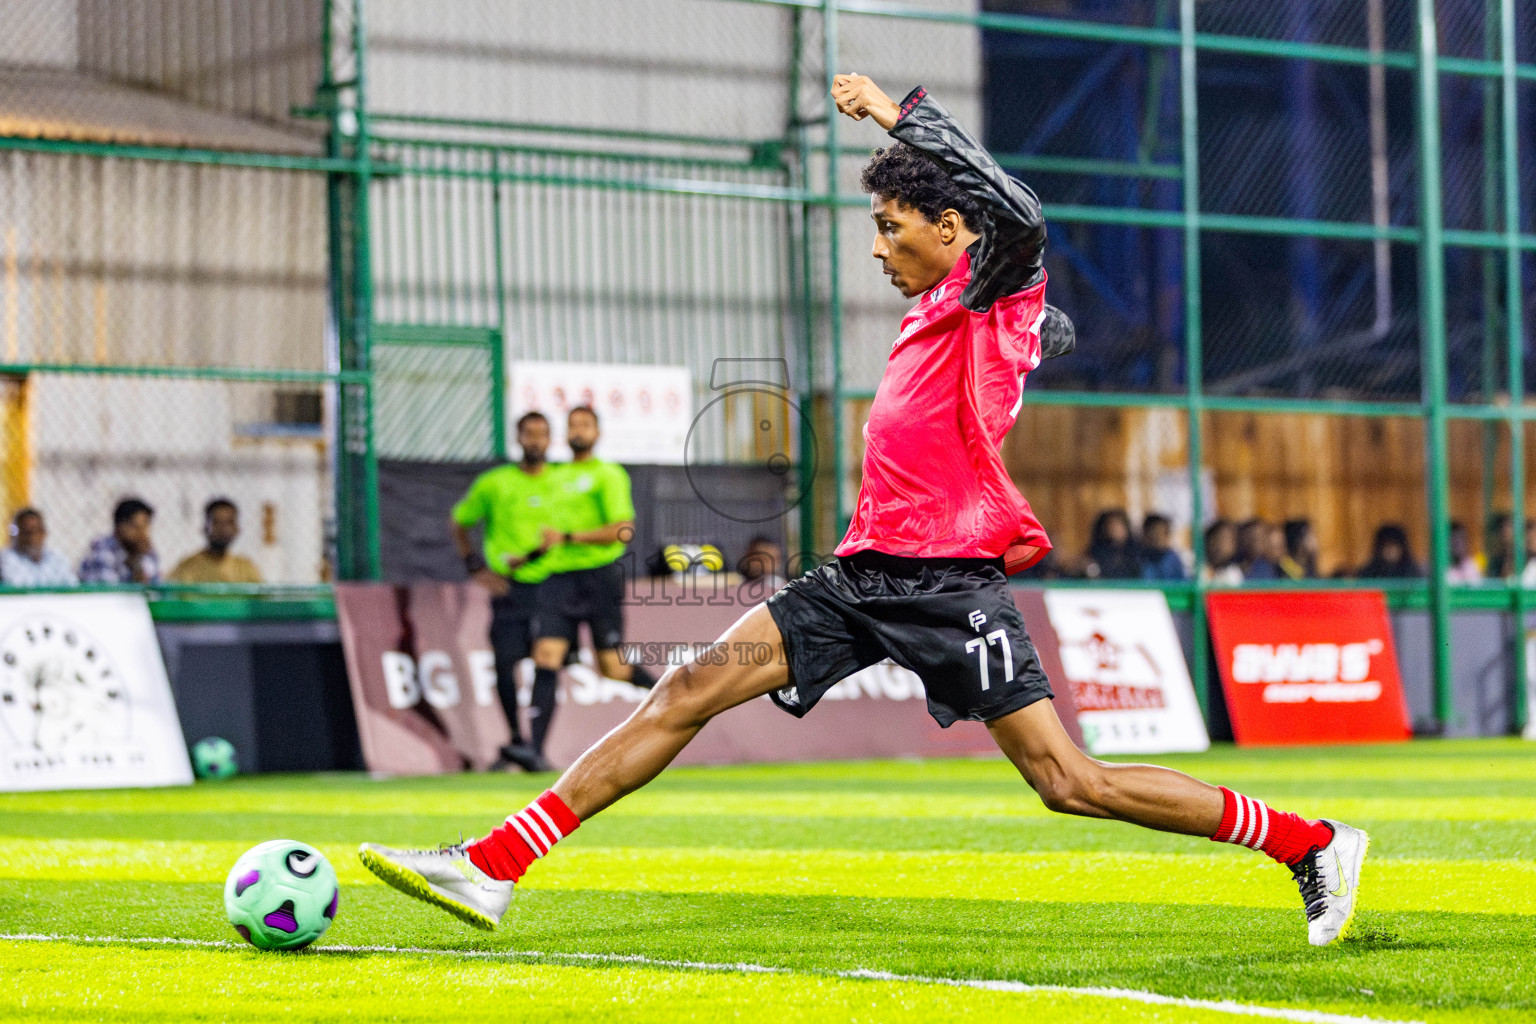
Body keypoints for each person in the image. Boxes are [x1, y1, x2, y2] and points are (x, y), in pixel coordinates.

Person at [359, 76, 1367, 949]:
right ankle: (493, 864)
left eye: (892, 228)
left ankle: (1311, 844)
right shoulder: (947, 308)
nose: (879, 248)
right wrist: (1046, 332)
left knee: (1070, 782)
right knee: (682, 695)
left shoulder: (985, 292)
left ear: (951, 230)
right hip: (859, 575)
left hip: (946, 583)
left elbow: (1023, 221)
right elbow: (1032, 322)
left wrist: (898, 116)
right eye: (875, 229)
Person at [525, 406, 657, 761]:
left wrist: (569, 536)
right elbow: (548, 533)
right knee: (546, 656)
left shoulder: (608, 474)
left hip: (598, 576)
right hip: (557, 580)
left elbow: (622, 529)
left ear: (597, 433)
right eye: (572, 425)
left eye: (585, 425)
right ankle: (534, 752)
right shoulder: (553, 476)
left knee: (613, 668)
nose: (578, 431)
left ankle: (671, 694)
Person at [451, 412, 562, 774]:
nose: (535, 441)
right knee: (504, 664)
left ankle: (537, 746)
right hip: (508, 589)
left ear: (550, 439)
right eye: (528, 434)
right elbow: (459, 521)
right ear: (518, 438)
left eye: (541, 435)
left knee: (548, 658)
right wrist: (475, 567)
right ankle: (516, 738)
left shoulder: (562, 483)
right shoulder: (495, 483)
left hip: (552, 584)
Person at [168, 499, 264, 584]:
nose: (223, 529)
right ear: (205, 528)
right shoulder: (188, 568)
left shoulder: (246, 568)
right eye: (216, 523)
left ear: (237, 529)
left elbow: (262, 601)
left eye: (229, 523)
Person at [79, 497, 161, 583]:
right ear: (120, 526)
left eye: (146, 527)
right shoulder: (103, 551)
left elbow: (157, 591)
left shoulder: (146, 553)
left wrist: (138, 566)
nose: (143, 534)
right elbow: (109, 591)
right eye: (137, 527)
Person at [0, 508, 77, 587]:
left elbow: (72, 587)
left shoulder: (58, 560)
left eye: (36, 531)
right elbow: (15, 587)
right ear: (16, 535)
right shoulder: (6, 559)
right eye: (27, 532)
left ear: (44, 533)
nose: (32, 537)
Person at [1083, 508, 1140, 579]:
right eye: (1111, 525)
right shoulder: (1094, 553)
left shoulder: (1137, 552)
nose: (1114, 529)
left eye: (1118, 525)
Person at [1357, 523, 1422, 578]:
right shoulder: (1368, 573)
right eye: (1386, 546)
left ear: (1402, 549)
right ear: (1379, 549)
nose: (1389, 551)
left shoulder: (1413, 573)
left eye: (1393, 546)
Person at [1137, 513, 1186, 581]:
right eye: (1154, 533)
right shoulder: (1139, 558)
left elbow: (1183, 584)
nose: (1157, 538)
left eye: (1161, 533)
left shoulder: (1173, 560)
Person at [1200, 519, 1243, 585]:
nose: (1221, 545)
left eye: (1226, 541)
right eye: (1218, 538)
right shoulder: (1192, 564)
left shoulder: (1233, 574)